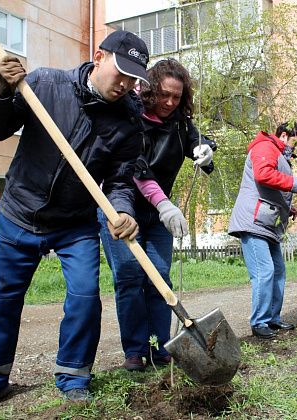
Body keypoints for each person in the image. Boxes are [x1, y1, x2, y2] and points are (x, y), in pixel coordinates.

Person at [0, 30, 149, 413]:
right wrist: (0, 90)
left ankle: (74, 376)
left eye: (134, 79)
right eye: (122, 73)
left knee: (84, 298)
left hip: (75, 222)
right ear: (99, 56)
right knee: (1, 301)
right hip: (19, 211)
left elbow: (119, 179)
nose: (126, 84)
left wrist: (123, 209)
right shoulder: (46, 84)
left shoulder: (128, 120)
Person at [98, 58, 217, 371]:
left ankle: (161, 346)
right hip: (121, 207)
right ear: (149, 90)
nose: (169, 102)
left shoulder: (179, 121)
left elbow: (196, 142)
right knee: (129, 276)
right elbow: (135, 168)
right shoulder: (131, 115)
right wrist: (164, 204)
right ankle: (135, 351)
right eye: (164, 94)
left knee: (160, 277)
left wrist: (205, 151)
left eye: (177, 97)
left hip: (158, 214)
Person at [228, 122, 297, 339]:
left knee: (278, 271)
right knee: (264, 271)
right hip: (253, 222)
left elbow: (270, 188)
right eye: (295, 142)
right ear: (283, 136)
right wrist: (296, 182)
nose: (295, 148)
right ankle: (259, 322)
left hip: (267, 222)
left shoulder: (279, 154)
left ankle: (272, 318)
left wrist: (287, 207)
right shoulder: (265, 146)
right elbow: (263, 175)